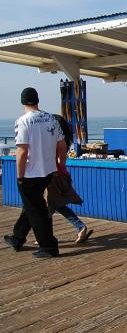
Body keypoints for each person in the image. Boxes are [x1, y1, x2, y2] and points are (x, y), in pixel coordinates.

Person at [3, 88, 67, 258]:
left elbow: (22, 151)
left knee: (37, 209)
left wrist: (19, 176)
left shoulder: (23, 121)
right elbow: (62, 146)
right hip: (48, 171)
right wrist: (61, 165)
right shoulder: (51, 118)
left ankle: (48, 247)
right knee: (32, 205)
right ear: (37, 100)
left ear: (23, 101)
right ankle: (17, 237)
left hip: (31, 174)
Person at [50, 114, 93, 243]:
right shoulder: (65, 141)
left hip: (54, 176)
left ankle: (44, 235)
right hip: (62, 175)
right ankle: (80, 227)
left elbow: (57, 160)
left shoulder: (55, 142)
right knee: (57, 205)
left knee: (48, 206)